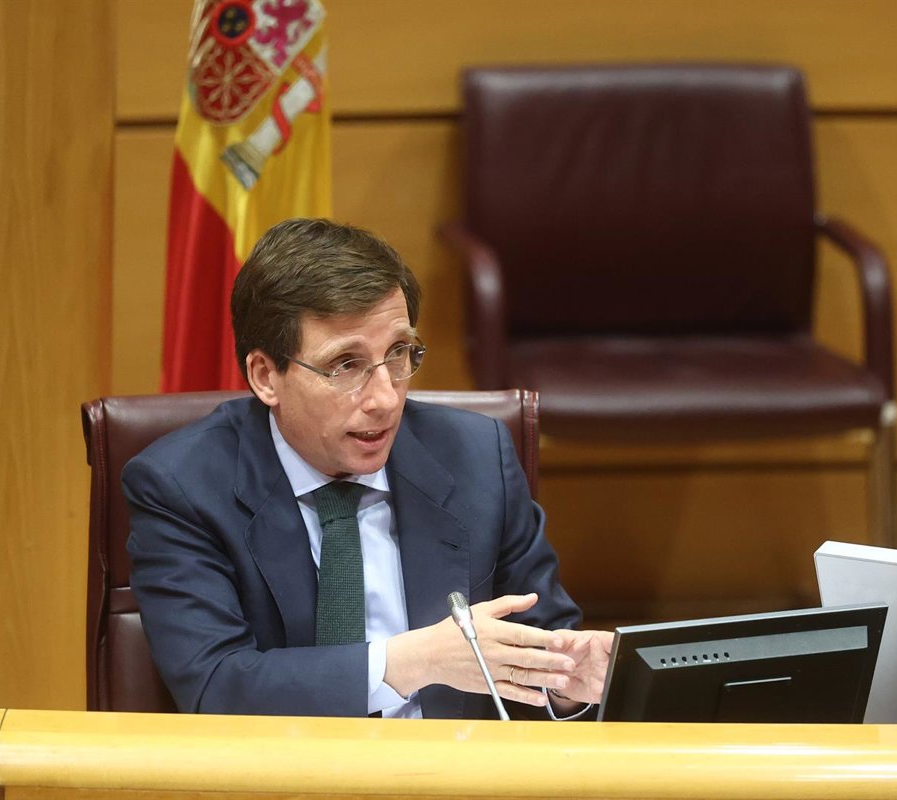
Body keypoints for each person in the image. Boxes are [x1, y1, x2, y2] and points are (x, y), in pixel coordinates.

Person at [123, 217, 613, 719]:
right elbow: (216, 686)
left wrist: (569, 684)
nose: (385, 399)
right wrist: (413, 662)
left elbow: (545, 648)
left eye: (398, 354)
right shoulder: (182, 486)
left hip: (451, 764)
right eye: (346, 365)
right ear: (266, 376)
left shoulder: (476, 457)